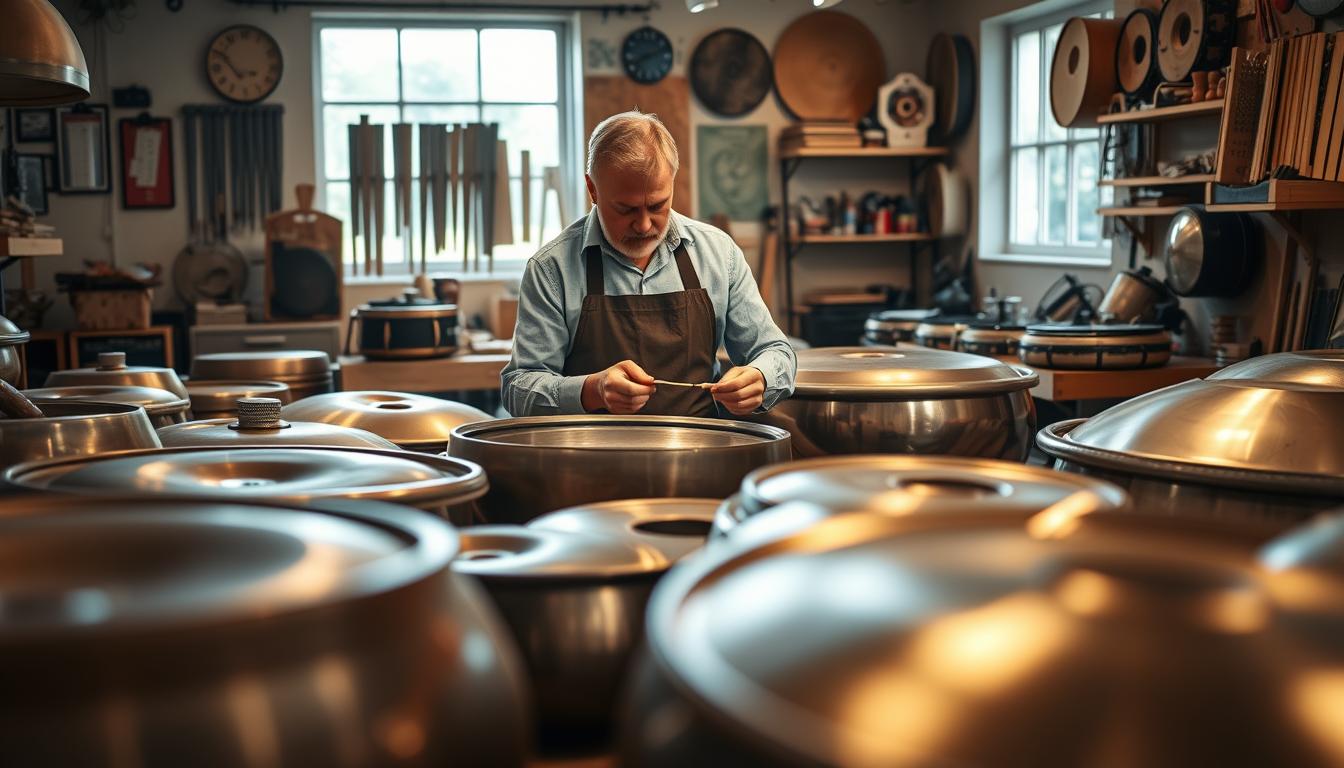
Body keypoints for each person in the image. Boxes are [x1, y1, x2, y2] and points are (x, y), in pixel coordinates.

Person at [502, 110, 796, 418]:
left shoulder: (719, 254)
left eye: (657, 206)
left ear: (672, 183)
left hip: (699, 454)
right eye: (626, 209)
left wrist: (761, 377)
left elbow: (777, 352)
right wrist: (592, 390)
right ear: (593, 189)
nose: (643, 225)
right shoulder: (552, 269)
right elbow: (518, 388)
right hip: (589, 458)